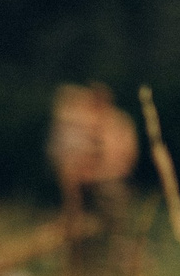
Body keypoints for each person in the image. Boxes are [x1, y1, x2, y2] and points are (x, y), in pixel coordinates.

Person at [46, 83, 137, 228]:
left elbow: (124, 153)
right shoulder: (83, 122)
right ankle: (73, 222)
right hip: (85, 178)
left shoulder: (117, 121)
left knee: (111, 218)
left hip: (110, 177)